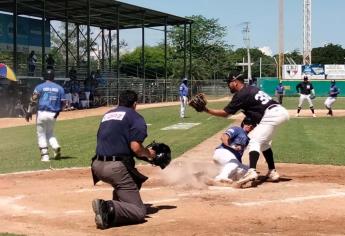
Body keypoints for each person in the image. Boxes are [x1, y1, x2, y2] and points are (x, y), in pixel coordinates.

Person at [200, 73, 289, 187]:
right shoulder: (252, 88)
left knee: (254, 141)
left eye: (229, 83)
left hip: (272, 114)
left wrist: (206, 110)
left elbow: (226, 113)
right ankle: (272, 171)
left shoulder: (241, 94)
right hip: (280, 112)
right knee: (264, 143)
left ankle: (252, 171)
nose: (228, 85)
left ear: (235, 82)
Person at [91, 90, 157, 229]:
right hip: (115, 168)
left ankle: (118, 204)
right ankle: (107, 207)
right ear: (135, 104)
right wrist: (150, 154)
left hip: (97, 165)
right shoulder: (135, 117)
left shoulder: (108, 114)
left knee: (134, 178)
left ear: (119, 101)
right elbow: (136, 148)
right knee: (139, 212)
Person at [25, 69, 65, 162]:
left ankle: (45, 156)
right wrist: (59, 110)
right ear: (53, 77)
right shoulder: (60, 88)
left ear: (44, 77)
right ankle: (55, 146)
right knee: (50, 133)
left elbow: (33, 101)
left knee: (41, 134)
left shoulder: (39, 87)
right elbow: (64, 103)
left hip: (42, 113)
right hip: (53, 114)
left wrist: (29, 112)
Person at [206, 117, 256, 186]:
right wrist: (231, 146)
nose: (250, 127)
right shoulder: (237, 129)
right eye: (248, 124)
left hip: (229, 160)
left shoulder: (247, 140)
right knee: (234, 162)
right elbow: (224, 137)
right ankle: (220, 177)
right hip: (223, 152)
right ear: (243, 123)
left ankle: (213, 177)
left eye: (253, 126)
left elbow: (239, 156)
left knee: (248, 170)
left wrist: (239, 166)